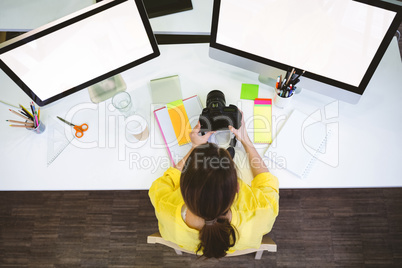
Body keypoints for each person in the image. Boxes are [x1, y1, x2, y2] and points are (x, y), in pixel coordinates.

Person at [149, 114, 279, 259]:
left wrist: (194, 147)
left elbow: (168, 179)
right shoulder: (263, 210)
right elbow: (266, 181)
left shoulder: (163, 204)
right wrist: (246, 142)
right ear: (237, 187)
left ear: (182, 187)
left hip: (181, 241)